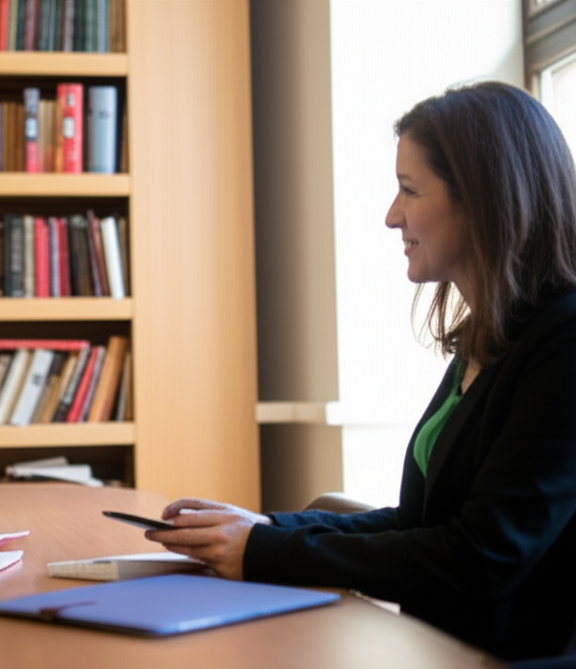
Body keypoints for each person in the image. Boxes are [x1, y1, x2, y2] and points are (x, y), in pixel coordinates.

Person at [146, 81, 576, 663]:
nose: (391, 216)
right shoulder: (490, 337)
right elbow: (419, 522)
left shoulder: (563, 343)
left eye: (408, 190)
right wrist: (265, 526)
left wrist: (264, 550)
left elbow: (481, 557)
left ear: (482, 198)